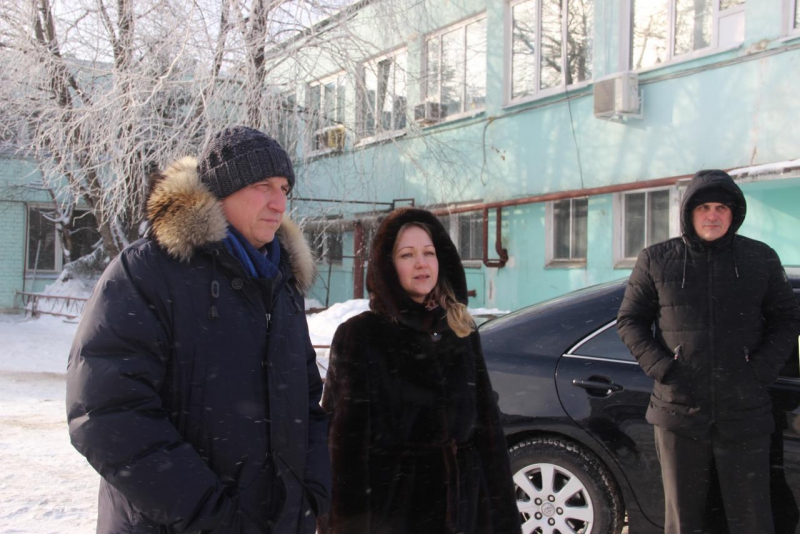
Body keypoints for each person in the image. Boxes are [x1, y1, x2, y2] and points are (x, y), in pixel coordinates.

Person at [66, 126, 331, 533]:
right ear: (222, 191)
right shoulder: (148, 272)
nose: (279, 203)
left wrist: (309, 497)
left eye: (284, 188)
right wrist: (211, 517)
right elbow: (107, 413)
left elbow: (307, 402)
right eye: (263, 186)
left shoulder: (281, 282)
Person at [617, 169, 800, 533]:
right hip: (678, 411)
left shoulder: (760, 258)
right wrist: (663, 368)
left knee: (751, 519)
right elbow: (629, 321)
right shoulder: (656, 259)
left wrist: (759, 370)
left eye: (720, 207)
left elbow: (787, 319)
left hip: (745, 412)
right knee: (685, 521)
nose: (712, 215)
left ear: (734, 213)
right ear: (688, 212)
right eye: (703, 207)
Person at [319, 207, 521, 534]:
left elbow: (489, 434)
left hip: (468, 513)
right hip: (394, 514)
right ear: (388, 265)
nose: (421, 263)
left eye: (429, 252)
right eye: (407, 254)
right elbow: (343, 450)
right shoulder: (361, 335)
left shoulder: (460, 330)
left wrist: (503, 520)